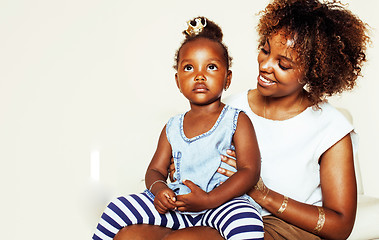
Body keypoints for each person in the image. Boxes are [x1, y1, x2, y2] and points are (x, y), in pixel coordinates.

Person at [114, 0, 370, 239]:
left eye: (283, 64)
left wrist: (263, 195)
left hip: (281, 225)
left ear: (314, 72)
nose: (265, 66)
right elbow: (180, 159)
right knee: (130, 235)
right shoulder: (227, 108)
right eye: (265, 50)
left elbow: (340, 225)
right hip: (211, 212)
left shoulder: (330, 127)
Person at [93, 17, 264, 240]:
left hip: (222, 204)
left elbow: (250, 171)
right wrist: (160, 190)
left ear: (228, 78)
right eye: (189, 68)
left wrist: (210, 200)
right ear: (178, 81)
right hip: (178, 205)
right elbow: (154, 171)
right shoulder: (172, 127)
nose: (200, 75)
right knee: (117, 208)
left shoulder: (236, 120)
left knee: (247, 221)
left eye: (211, 67)